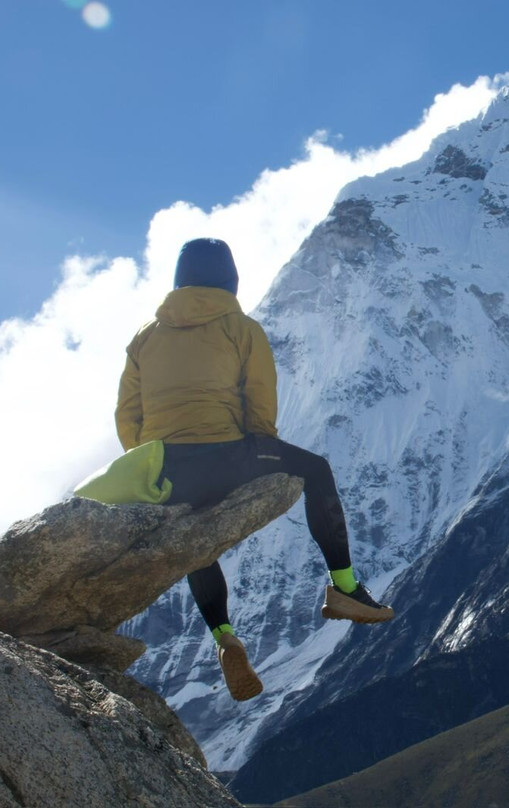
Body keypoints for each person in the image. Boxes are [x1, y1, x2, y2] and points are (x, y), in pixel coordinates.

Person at [116, 237, 393, 702]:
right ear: (230, 279)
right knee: (317, 470)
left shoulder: (144, 337)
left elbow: (127, 415)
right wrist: (258, 450)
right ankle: (344, 587)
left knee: (197, 540)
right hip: (229, 452)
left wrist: (152, 463)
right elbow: (259, 400)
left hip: (166, 464)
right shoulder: (241, 328)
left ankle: (223, 634)